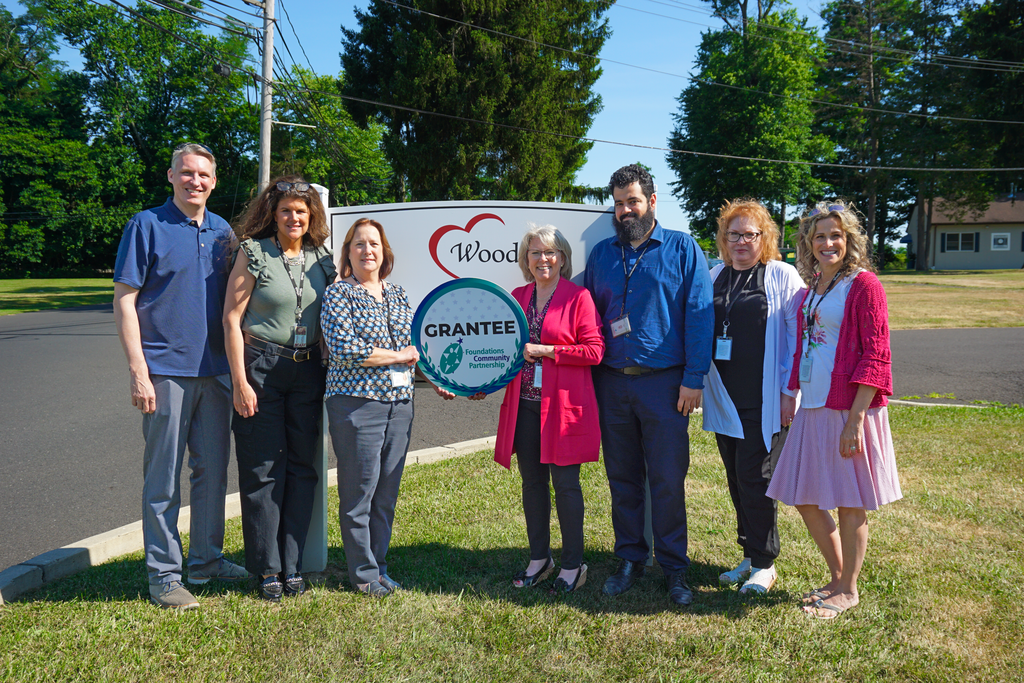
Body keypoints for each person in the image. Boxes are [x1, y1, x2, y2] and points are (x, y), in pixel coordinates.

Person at [112, 143, 249, 610]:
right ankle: (164, 577)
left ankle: (207, 562)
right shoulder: (145, 225)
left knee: (211, 473)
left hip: (215, 374)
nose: (196, 181)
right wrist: (138, 371)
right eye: (187, 173)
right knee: (163, 479)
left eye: (204, 175)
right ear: (171, 176)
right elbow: (125, 300)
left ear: (214, 181)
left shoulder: (223, 232)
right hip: (165, 372)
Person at [584, 163, 714, 606]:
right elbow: (591, 321)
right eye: (619, 204)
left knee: (666, 479)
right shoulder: (601, 254)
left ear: (652, 201)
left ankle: (675, 568)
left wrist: (694, 379)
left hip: (665, 386)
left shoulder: (682, 248)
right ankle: (630, 558)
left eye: (633, 201)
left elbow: (699, 315)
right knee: (622, 478)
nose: (625, 210)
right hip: (612, 384)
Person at [766, 201, 902, 620]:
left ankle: (848, 589)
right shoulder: (812, 288)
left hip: (849, 409)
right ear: (808, 242)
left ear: (849, 240)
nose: (828, 242)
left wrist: (856, 420)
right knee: (804, 495)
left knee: (849, 501)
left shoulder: (864, 285)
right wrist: (793, 391)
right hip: (814, 405)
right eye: (820, 235)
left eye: (836, 235)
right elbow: (805, 345)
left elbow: (877, 356)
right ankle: (838, 575)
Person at [222, 176, 336, 602]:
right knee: (262, 468)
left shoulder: (322, 258)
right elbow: (231, 320)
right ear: (274, 212)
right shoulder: (253, 253)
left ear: (312, 218)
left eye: (302, 212)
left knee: (303, 469)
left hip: (308, 372)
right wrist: (240, 382)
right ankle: (268, 569)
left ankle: (293, 565)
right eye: (287, 210)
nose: (294, 218)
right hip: (261, 369)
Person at [321, 218, 437, 597]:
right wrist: (398, 356)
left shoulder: (399, 294)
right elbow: (346, 349)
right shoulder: (338, 295)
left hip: (400, 404)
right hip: (357, 404)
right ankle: (364, 573)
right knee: (359, 492)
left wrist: (438, 381)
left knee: (386, 492)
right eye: (359, 244)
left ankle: (380, 566)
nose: (367, 250)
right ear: (348, 252)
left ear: (384, 251)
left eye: (374, 244)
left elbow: (413, 351)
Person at [487, 225, 604, 594]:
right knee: (532, 484)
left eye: (550, 252)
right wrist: (481, 383)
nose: (543, 259)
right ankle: (540, 558)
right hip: (524, 407)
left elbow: (595, 351)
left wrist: (549, 351)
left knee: (566, 487)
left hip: (562, 409)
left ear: (563, 258)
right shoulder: (516, 296)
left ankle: (573, 564)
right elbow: (502, 351)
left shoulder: (578, 297)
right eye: (535, 253)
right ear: (526, 260)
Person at [701, 199, 804, 595]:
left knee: (756, 477)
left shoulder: (781, 275)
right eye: (734, 234)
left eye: (750, 234)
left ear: (765, 238)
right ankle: (748, 554)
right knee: (735, 477)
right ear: (724, 239)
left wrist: (787, 392)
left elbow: (797, 338)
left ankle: (765, 562)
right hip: (723, 397)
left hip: (764, 400)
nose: (741, 241)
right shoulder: (714, 276)